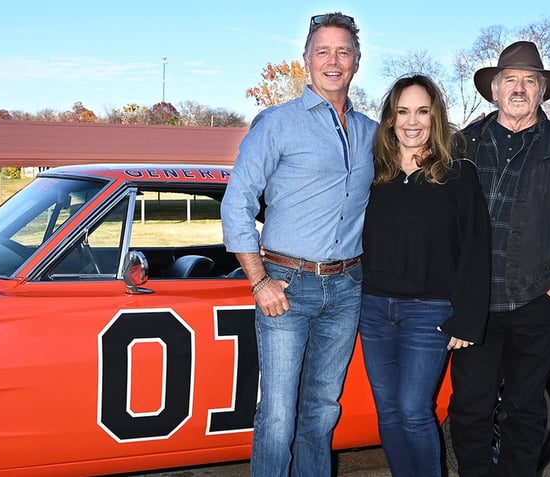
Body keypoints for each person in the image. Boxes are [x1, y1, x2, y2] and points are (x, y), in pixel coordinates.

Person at [220, 12, 376, 477]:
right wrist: (259, 281)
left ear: (357, 61)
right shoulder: (277, 124)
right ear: (306, 60)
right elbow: (237, 204)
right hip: (285, 287)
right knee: (277, 415)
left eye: (343, 51)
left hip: (347, 287)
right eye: (323, 51)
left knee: (323, 411)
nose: (333, 61)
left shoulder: (372, 132)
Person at [447, 41, 550, 477]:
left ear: (541, 92)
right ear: (495, 90)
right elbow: (441, 222)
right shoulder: (463, 145)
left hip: (537, 302)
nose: (519, 89)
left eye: (530, 81)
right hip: (475, 309)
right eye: (511, 81)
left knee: (525, 409)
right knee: (469, 408)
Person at [359, 74, 491, 477]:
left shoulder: (456, 174)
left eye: (422, 112)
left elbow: (476, 248)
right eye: (402, 111)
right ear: (390, 118)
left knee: (414, 411)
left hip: (428, 313)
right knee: (388, 412)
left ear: (435, 118)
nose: (411, 122)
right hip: (373, 309)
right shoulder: (372, 171)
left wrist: (467, 317)